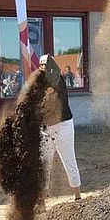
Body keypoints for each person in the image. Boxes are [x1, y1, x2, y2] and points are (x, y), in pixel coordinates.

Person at [38, 54, 82, 201]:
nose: (43, 67)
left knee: (69, 160)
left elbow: (53, 86)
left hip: (64, 126)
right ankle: (42, 201)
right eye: (41, 65)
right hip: (46, 129)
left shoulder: (58, 80)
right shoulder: (39, 83)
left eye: (46, 64)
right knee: (44, 163)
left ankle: (77, 195)